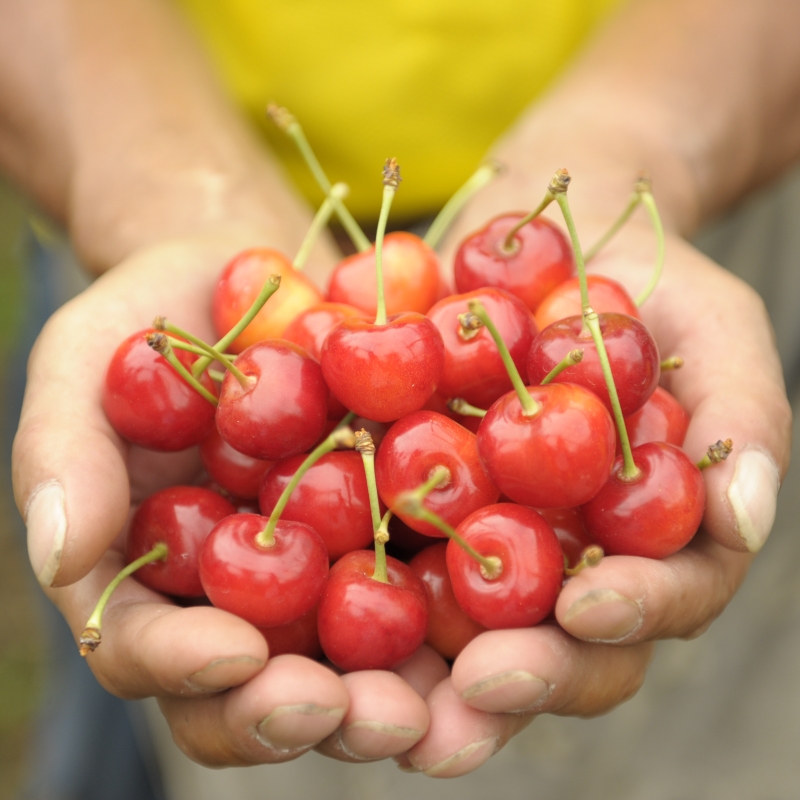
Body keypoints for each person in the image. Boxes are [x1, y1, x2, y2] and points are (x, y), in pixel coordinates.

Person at [2, 0, 796, 785]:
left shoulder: (565, 369)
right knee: (143, 686)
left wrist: (635, 137)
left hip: (699, 160)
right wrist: (160, 193)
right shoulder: (266, 378)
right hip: (158, 159)